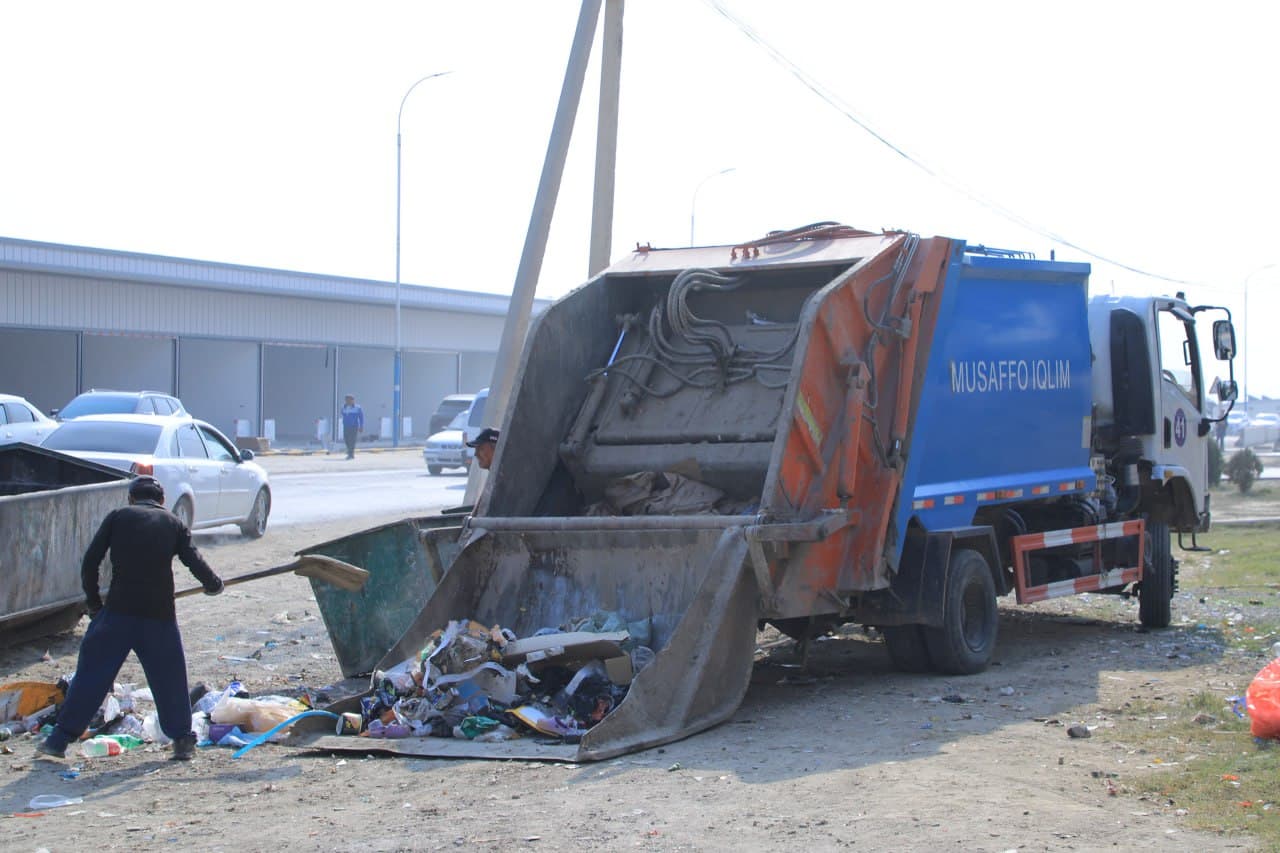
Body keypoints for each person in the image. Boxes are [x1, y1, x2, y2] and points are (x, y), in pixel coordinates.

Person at [36, 476, 224, 762]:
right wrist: (213, 584)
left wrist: (95, 605)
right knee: (169, 679)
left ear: (131, 498)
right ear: (161, 501)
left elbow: (90, 562)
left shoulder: (119, 517)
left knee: (91, 677)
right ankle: (182, 741)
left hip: (117, 614)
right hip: (159, 616)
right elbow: (194, 560)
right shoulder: (173, 523)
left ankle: (58, 741)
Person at [340, 394, 364, 459]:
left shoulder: (357, 408)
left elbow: (361, 417)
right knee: (346, 439)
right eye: (346, 400)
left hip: (354, 426)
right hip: (346, 426)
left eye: (349, 400)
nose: (347, 401)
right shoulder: (343, 407)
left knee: (352, 440)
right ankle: (350, 452)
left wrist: (361, 426)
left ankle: (351, 454)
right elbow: (343, 414)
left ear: (353, 400)